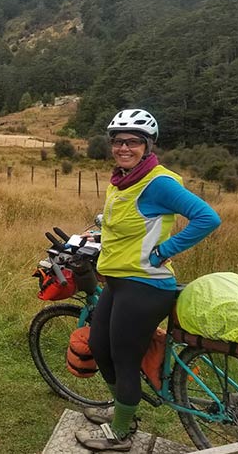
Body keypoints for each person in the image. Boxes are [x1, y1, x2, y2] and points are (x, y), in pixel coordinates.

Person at [75, 108, 221, 452]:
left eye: (133, 142)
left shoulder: (158, 182)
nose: (124, 147)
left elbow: (207, 217)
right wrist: (98, 228)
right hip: (118, 281)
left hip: (145, 285)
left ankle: (121, 433)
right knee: (99, 348)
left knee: (125, 359)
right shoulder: (122, 179)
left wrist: (165, 250)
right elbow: (132, 220)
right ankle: (122, 411)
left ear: (147, 145)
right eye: (118, 141)